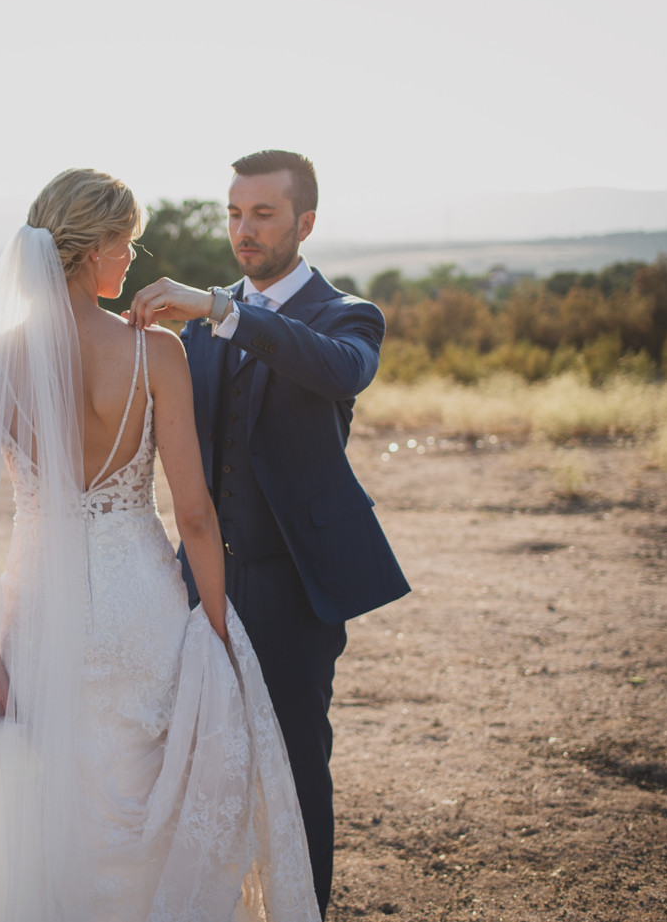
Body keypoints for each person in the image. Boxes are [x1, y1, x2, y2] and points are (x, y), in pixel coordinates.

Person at [0, 169, 320, 922]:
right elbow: (193, 514)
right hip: (140, 605)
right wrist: (222, 634)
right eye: (126, 244)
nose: (132, 259)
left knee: (46, 802)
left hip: (36, 606)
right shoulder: (155, 352)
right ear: (94, 247)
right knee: (144, 803)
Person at [128, 150, 411, 917]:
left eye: (262, 214)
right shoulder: (199, 321)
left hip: (295, 586)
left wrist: (226, 312)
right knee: (194, 760)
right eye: (233, 213)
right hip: (199, 579)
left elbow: (340, 371)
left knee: (294, 764)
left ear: (304, 223)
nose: (242, 230)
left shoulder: (347, 315)